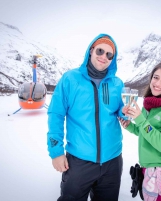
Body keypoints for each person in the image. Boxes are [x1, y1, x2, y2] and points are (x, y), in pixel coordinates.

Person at [47, 33, 125, 201]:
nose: (104, 57)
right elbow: (56, 114)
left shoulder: (117, 83)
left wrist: (125, 112)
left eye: (109, 54)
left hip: (112, 161)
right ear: (91, 51)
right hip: (79, 161)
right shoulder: (70, 79)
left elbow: (118, 110)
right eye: (100, 51)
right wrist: (56, 151)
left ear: (113, 59)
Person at [119, 62, 161, 201]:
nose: (157, 83)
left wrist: (141, 120)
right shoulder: (151, 105)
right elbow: (144, 131)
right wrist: (130, 125)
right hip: (149, 170)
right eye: (155, 77)